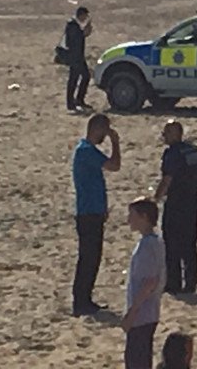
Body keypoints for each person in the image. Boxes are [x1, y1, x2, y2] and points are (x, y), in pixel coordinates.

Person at [71, 113, 121, 316]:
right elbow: (114, 165)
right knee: (88, 258)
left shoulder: (87, 151)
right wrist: (115, 142)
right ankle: (81, 301)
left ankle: (85, 299)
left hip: (93, 211)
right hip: (88, 212)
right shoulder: (86, 151)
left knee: (92, 258)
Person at [154, 122, 197, 295]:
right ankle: (191, 282)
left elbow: (167, 180)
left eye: (166, 133)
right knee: (190, 242)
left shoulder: (172, 154)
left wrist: (156, 198)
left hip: (176, 202)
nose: (164, 136)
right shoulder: (193, 150)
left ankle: (173, 283)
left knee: (172, 242)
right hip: (192, 200)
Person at [122, 197, 166, 369]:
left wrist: (132, 312)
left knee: (136, 362)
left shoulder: (148, 246)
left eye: (132, 215)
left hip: (142, 315)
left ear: (144, 217)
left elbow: (150, 283)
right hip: (149, 314)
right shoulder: (155, 241)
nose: (129, 220)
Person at [62, 6, 93, 112]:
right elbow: (75, 40)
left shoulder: (76, 25)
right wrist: (84, 32)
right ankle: (71, 103)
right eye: (85, 16)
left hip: (79, 56)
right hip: (74, 57)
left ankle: (79, 100)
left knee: (85, 77)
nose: (85, 18)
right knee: (74, 79)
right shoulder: (72, 25)